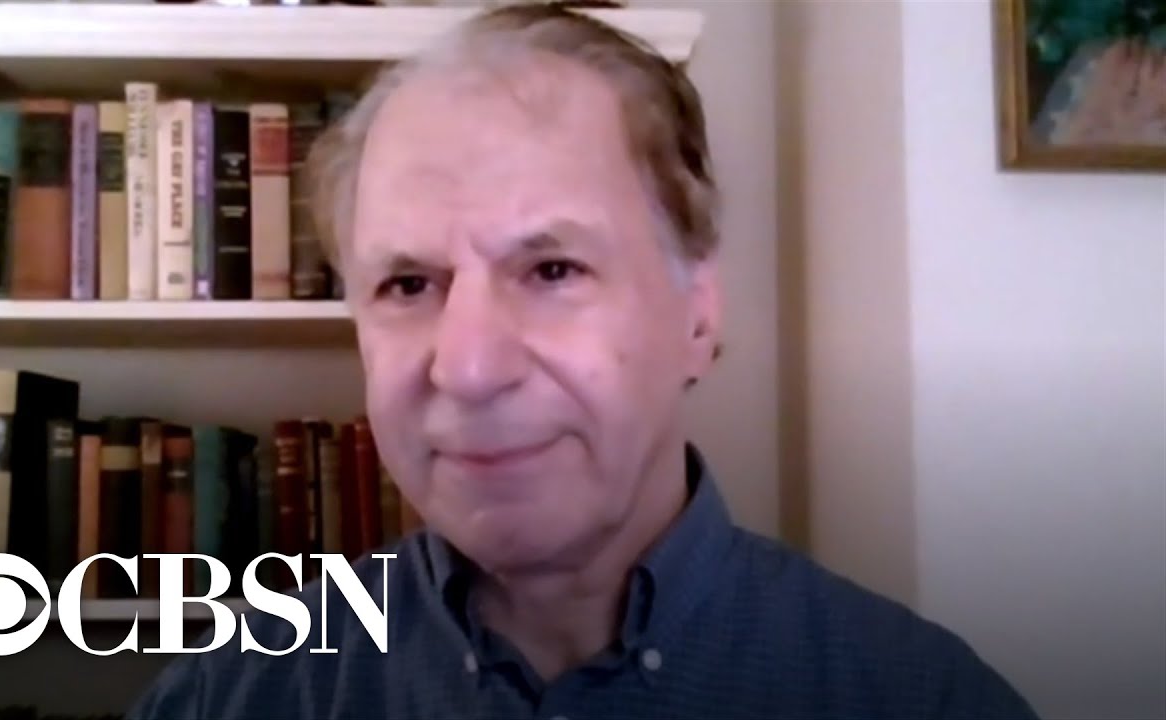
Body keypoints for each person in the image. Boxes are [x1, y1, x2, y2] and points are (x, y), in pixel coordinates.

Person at [126, 3, 1039, 718]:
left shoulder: (922, 700)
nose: (469, 368)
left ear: (698, 311)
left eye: (552, 269)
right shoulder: (225, 697)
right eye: (408, 284)